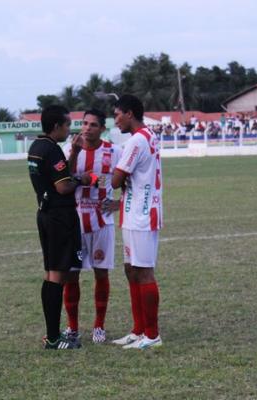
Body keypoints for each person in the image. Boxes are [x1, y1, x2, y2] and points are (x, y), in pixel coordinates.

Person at [27, 105, 95, 350]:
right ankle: (54, 338)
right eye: (67, 125)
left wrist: (74, 153)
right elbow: (63, 186)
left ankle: (52, 335)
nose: (70, 129)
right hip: (59, 217)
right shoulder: (52, 149)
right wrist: (82, 179)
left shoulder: (36, 147)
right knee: (57, 275)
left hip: (45, 215)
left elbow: (56, 175)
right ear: (56, 126)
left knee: (50, 274)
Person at [61, 109, 122, 345]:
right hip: (74, 221)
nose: (87, 128)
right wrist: (75, 153)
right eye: (84, 123)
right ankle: (73, 327)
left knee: (101, 273)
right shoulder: (70, 148)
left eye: (93, 125)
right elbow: (65, 179)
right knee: (71, 276)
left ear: (102, 129)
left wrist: (118, 202)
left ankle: (99, 326)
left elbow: (126, 180)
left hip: (102, 222)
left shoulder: (114, 151)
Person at [110, 94, 163, 350]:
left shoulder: (137, 141)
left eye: (117, 114)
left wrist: (109, 176)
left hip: (142, 215)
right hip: (134, 212)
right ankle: (138, 329)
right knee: (131, 269)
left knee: (143, 271)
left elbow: (116, 180)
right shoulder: (148, 136)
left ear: (129, 113)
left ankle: (152, 335)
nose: (115, 120)